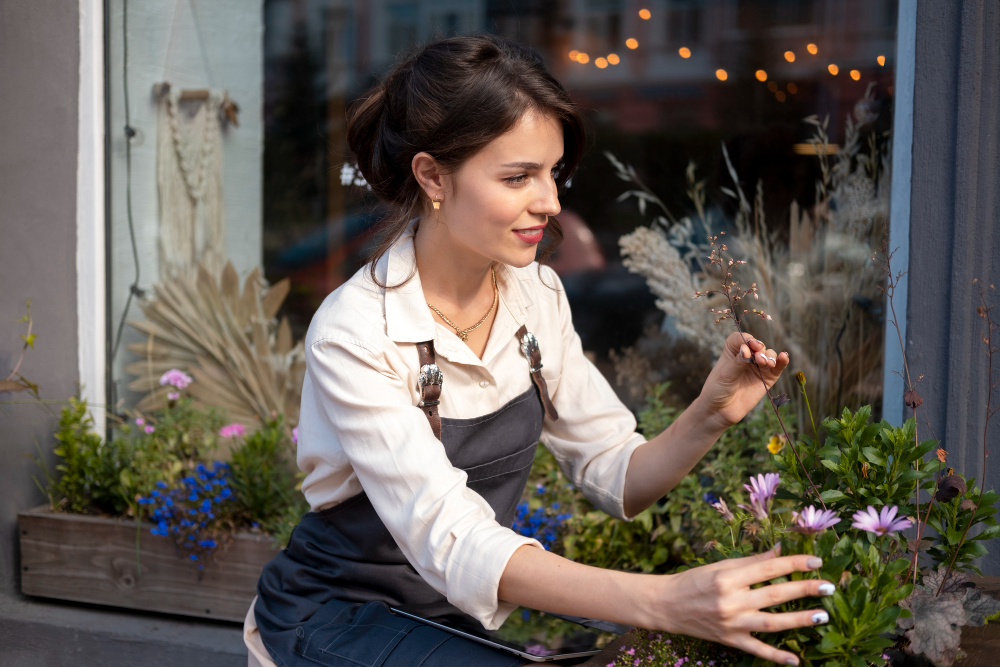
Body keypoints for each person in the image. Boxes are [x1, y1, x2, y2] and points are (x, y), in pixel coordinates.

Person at [244, 33, 832, 667]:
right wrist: (664, 600)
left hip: (446, 620)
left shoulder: (535, 295)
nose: (550, 203)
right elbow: (455, 538)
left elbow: (616, 475)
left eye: (553, 172)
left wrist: (709, 414)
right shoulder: (357, 331)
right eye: (518, 176)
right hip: (334, 619)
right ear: (433, 175)